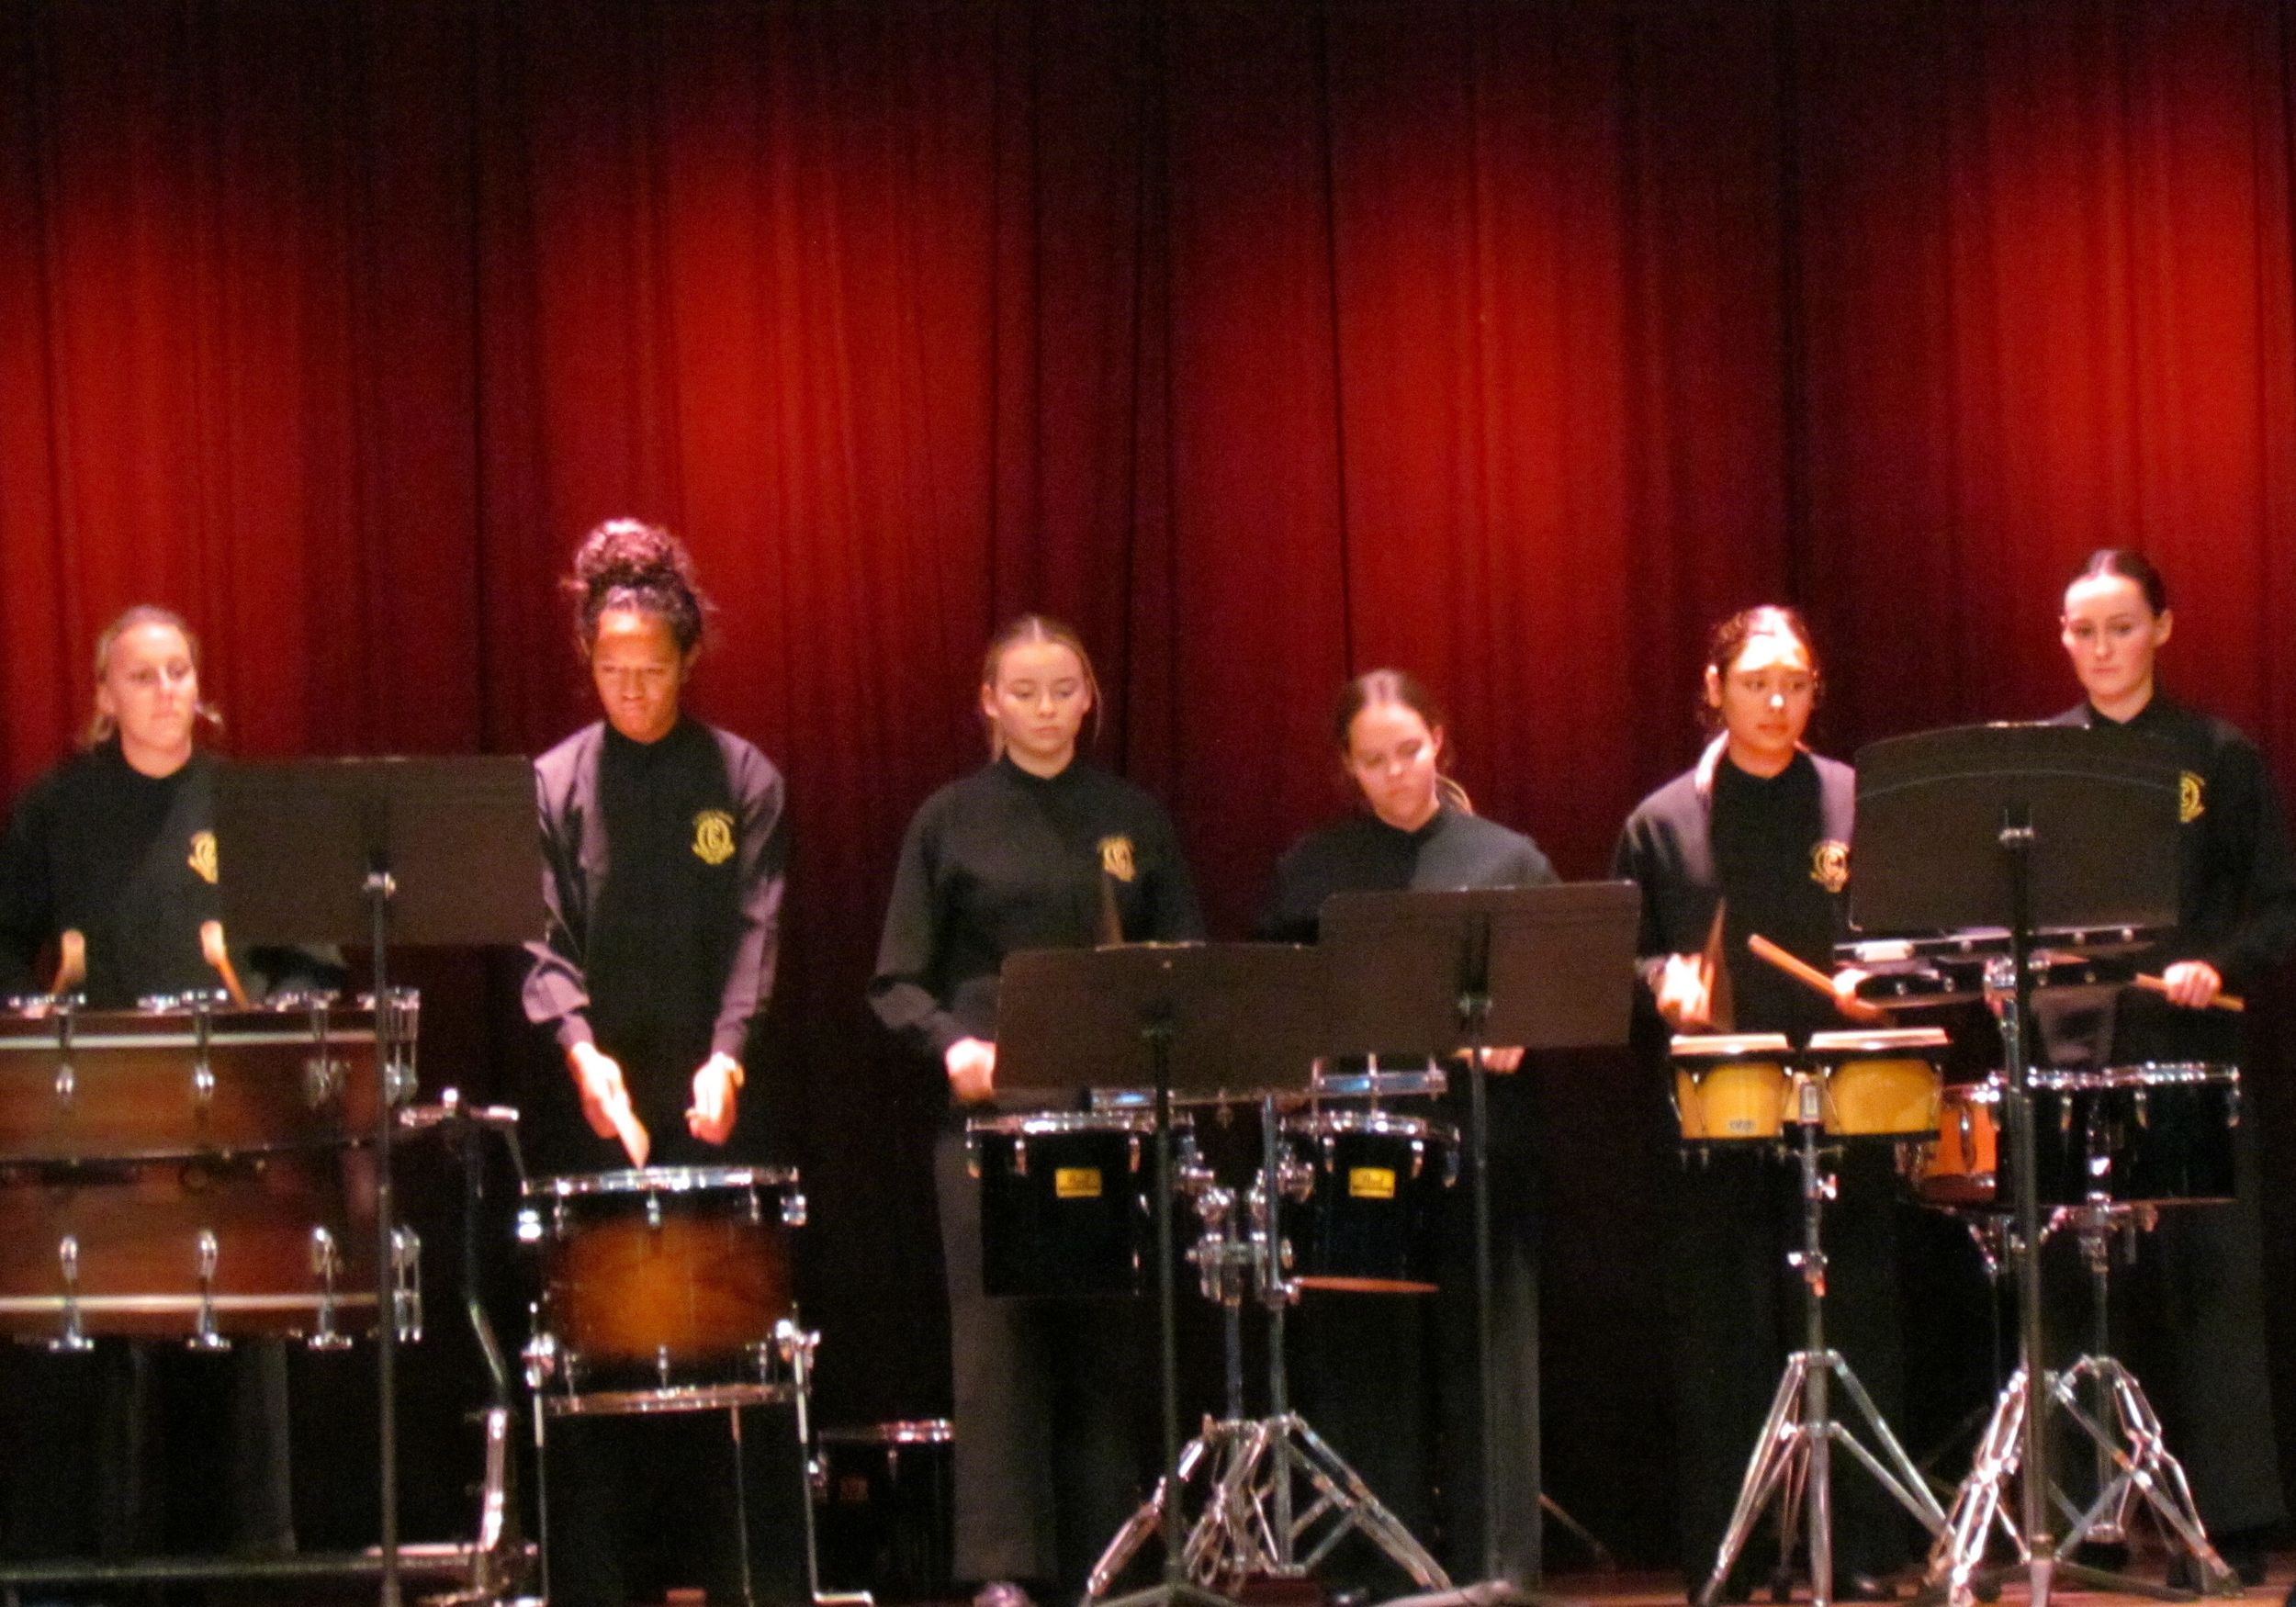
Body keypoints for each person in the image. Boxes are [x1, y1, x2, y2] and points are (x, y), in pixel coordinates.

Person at [869, 614, 1204, 1606]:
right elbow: (896, 980)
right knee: (996, 1341)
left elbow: (1183, 955)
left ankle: (1112, 1562)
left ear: (1089, 697)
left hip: (1110, 1113)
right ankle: (1003, 1571)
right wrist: (953, 1046)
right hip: (991, 1118)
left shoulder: (1132, 817)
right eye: (1024, 692)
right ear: (989, 702)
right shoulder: (949, 819)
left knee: (1106, 1341)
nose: (1046, 709)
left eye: (1063, 690)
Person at [0, 605, 310, 1574]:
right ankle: (107, 1570)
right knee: (107, 1357)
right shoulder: (58, 808)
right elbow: (5, 940)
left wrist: (269, 1013)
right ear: (104, 695)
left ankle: (248, 1567)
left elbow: (309, 961)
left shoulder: (242, 803)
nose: (167, 690)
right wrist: (28, 1008)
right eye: (143, 675)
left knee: (238, 1351)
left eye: (180, 670)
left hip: (232, 1129)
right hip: (101, 1128)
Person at [1610, 605, 1910, 1601]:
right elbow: (1617, 955)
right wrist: (1662, 980)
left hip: (1848, 1095)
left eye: (1794, 685)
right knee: (1723, 1333)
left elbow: (1907, 931)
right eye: (1755, 684)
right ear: (1715, 689)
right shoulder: (1663, 821)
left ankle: (1858, 1550)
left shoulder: (1857, 800)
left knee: (1854, 1315)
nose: (1777, 703)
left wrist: (1883, 977)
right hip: (1722, 1107)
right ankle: (1728, 1553)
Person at [521, 520, 793, 1607]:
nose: (630, 690)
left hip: (712, 1097)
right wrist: (580, 1053)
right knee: (598, 1358)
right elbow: (543, 941)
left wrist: (728, 1058)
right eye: (609, 670)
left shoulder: (743, 777)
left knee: (726, 1349)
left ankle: (738, 1577)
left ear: (688, 661)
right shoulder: (553, 782)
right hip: (595, 1098)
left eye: (650, 670)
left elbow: (757, 933)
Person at [1259, 669, 1556, 1587]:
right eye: (1374, 761)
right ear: (1347, 768)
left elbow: (1570, 978)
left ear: (1440, 742)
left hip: (1481, 1136)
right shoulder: (1313, 869)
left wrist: (1522, 1021)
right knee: (1366, 1360)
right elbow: (1273, 999)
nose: (1397, 773)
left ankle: (1497, 1567)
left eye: (1410, 751)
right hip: (1362, 1143)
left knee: (1488, 1355)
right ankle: (1379, 1570)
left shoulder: (1506, 858)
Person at [2043, 548, 2296, 1587]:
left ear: (2162, 629)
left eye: (2120, 627)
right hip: (2075, 1051)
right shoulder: (2040, 762)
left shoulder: (2217, 756)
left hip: (2188, 1050)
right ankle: (2082, 1517)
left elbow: (2278, 904)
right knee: (2074, 1290)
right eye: (2083, 630)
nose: (2101, 648)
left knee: (2210, 1285)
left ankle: (2229, 1519)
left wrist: (2215, 964)